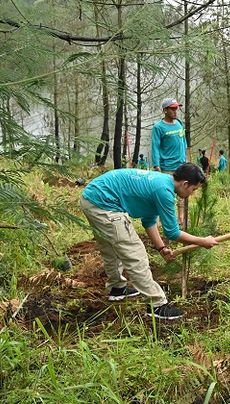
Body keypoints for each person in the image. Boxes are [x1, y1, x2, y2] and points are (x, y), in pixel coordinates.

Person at [79, 163, 218, 320]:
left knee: (110, 248)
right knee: (135, 253)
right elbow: (172, 232)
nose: (192, 194)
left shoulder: (162, 183)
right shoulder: (164, 192)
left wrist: (161, 248)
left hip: (91, 198)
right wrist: (202, 241)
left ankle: (117, 288)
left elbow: (149, 220)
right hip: (104, 203)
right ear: (185, 184)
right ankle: (156, 305)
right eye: (194, 190)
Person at [151, 98, 188, 224]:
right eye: (172, 108)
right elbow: (155, 146)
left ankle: (181, 218)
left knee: (182, 191)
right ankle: (166, 220)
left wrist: (186, 159)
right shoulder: (158, 127)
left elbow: (184, 142)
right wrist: (156, 165)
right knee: (167, 194)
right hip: (166, 167)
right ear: (165, 110)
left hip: (181, 165)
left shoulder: (179, 124)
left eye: (176, 108)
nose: (175, 111)